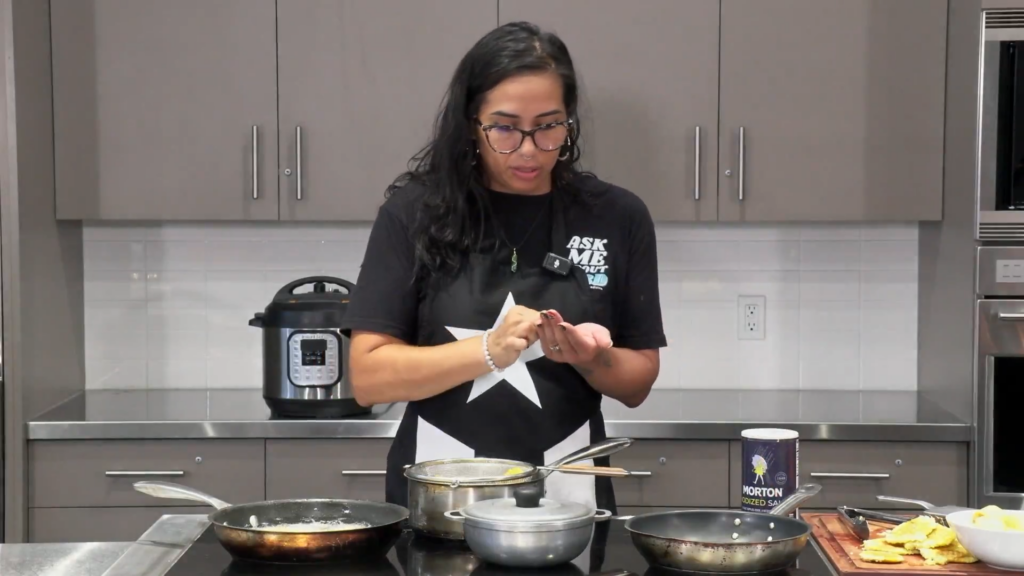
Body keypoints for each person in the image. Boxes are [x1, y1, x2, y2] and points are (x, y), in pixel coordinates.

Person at [341, 21, 666, 524]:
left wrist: (589, 359)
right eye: (506, 127)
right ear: (472, 123)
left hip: (570, 487)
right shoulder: (415, 213)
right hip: (440, 490)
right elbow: (368, 376)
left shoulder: (617, 217)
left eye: (550, 125)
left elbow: (637, 383)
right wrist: (487, 351)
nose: (531, 149)